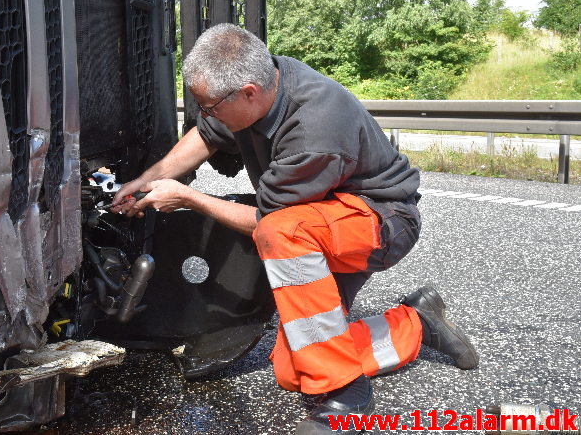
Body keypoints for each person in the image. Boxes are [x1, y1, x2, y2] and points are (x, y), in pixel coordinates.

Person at [111, 23, 479, 434]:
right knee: (295, 366)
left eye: (210, 106)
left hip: (379, 221)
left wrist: (189, 197)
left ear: (248, 92)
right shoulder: (265, 82)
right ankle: (417, 321)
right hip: (317, 217)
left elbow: (265, 222)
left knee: (279, 231)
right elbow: (207, 136)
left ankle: (347, 394)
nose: (206, 115)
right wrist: (147, 179)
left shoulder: (315, 126)